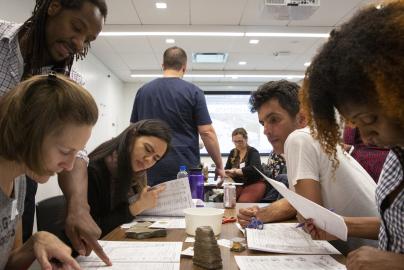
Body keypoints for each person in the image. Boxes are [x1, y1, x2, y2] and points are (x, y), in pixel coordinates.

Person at [0, 0, 111, 263]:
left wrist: (77, 205)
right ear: (54, 6)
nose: (79, 43)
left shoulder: (70, 82)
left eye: (88, 39)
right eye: (77, 27)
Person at [300, 1, 404, 268]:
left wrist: (397, 263)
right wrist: (343, 225)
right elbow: (396, 225)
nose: (366, 138)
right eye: (355, 124)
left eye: (370, 119)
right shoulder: (395, 153)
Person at [236, 80, 378, 253]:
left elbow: (311, 218)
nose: (266, 130)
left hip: (372, 255)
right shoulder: (315, 138)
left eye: (274, 119)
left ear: (302, 118)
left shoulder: (299, 139)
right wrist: (261, 213)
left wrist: (265, 214)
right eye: (262, 123)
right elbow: (299, 203)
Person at [0, 74, 98, 269]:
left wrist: (36, 241)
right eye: (64, 151)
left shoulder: (19, 180)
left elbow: (9, 263)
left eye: (76, 153)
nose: (69, 166)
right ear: (28, 133)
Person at [130, 46, 225, 185]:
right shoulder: (194, 92)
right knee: (185, 207)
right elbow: (207, 132)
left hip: (148, 165)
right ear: (184, 68)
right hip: (183, 166)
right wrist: (219, 165)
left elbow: (132, 130)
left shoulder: (143, 91)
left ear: (163, 65)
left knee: (149, 205)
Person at [87, 120, 171, 237]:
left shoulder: (136, 173)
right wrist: (137, 206)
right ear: (132, 136)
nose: (149, 160)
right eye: (147, 149)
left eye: (155, 158)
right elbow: (93, 229)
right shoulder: (94, 170)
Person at [224, 128, 265, 202]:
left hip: (254, 183)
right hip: (238, 184)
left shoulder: (253, 152)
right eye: (235, 142)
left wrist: (235, 171)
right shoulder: (232, 152)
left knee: (243, 202)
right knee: (227, 201)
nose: (237, 144)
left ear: (246, 139)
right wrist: (229, 173)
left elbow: (254, 169)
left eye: (240, 141)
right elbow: (227, 169)